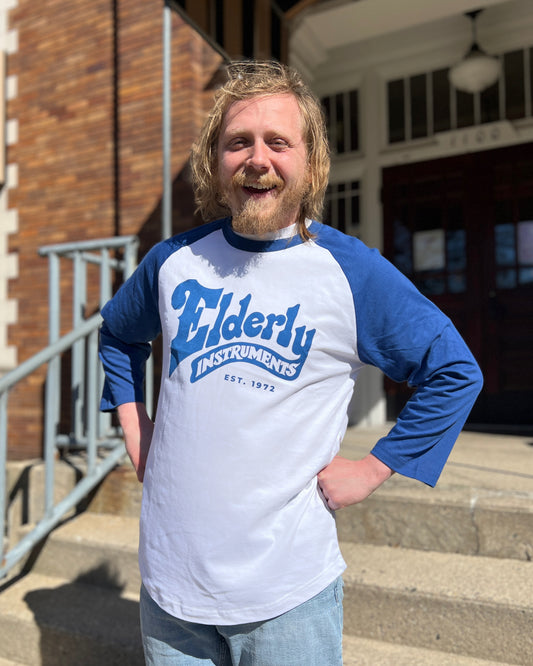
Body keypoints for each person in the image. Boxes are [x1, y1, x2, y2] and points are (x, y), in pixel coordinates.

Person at [99, 60, 483, 665]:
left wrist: (374, 468)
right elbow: (118, 335)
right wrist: (132, 422)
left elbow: (453, 370)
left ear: (311, 160)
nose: (258, 159)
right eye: (238, 142)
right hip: (170, 591)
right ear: (214, 160)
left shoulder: (349, 270)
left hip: (287, 597)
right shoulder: (172, 262)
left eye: (278, 142)